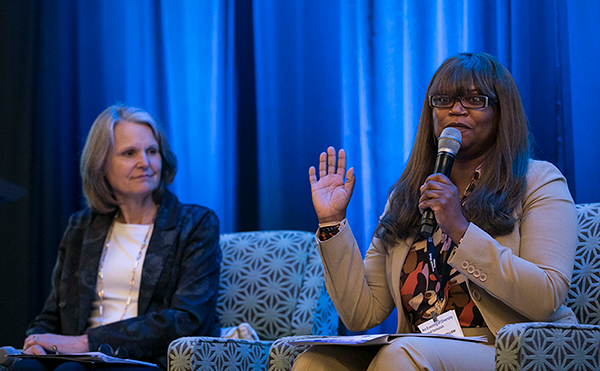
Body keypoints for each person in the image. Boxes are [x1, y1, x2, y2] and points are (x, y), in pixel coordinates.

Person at [298, 52, 578, 370]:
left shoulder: (538, 182)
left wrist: (459, 228)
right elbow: (362, 313)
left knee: (401, 355)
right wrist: (332, 222)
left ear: (502, 112)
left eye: (475, 99)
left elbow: (545, 298)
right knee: (315, 362)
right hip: (418, 348)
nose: (456, 109)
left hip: (507, 348)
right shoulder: (408, 197)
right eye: (443, 100)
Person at [12, 104, 221, 371]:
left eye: (152, 152)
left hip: (146, 358)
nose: (144, 163)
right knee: (23, 368)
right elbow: (54, 313)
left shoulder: (195, 224)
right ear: (102, 164)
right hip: (79, 356)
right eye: (129, 153)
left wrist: (86, 342)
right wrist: (37, 341)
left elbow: (188, 318)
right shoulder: (81, 226)